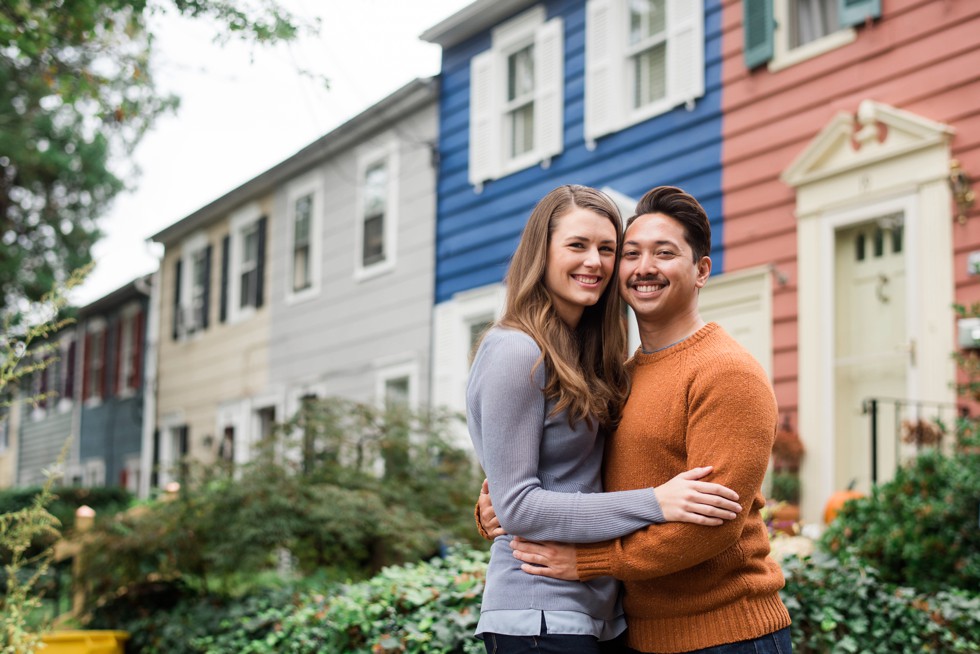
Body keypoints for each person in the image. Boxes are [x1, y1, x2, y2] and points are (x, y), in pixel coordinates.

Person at [492, 186, 793, 653]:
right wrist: (499, 507)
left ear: (702, 271)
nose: (643, 267)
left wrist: (591, 561)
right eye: (630, 253)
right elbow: (579, 473)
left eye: (664, 253)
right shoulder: (620, 379)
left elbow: (712, 525)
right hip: (641, 636)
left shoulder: (727, 372)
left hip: (727, 634)